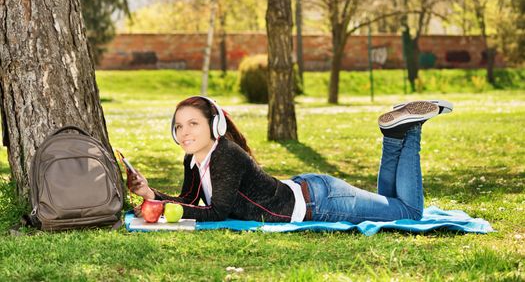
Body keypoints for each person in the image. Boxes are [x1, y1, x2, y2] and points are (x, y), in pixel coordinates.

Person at [128, 96, 453, 223]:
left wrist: (166, 212)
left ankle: (411, 129)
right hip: (310, 190)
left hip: (322, 203)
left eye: (193, 124)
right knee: (392, 204)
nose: (184, 132)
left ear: (215, 126)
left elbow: (217, 211)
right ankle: (395, 132)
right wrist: (151, 195)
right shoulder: (194, 159)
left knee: (408, 212)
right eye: (179, 126)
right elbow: (187, 200)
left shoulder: (224, 154)